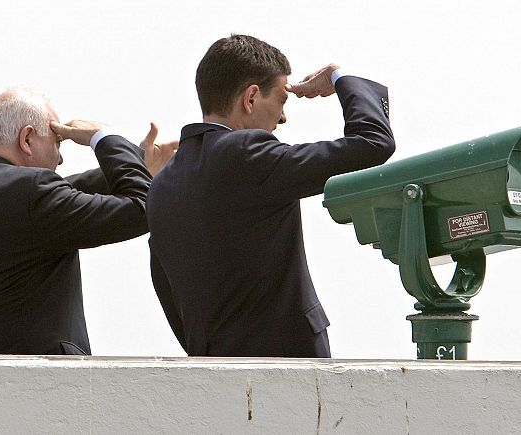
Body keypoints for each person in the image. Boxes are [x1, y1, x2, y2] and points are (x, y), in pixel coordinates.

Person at [147, 34, 396, 358]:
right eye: (281, 100)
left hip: (213, 374)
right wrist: (340, 76)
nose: (282, 118)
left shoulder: (162, 184)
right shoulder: (246, 154)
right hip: (288, 374)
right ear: (251, 98)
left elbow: (168, 293)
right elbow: (373, 143)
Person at [0, 87, 169, 355]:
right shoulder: (31, 194)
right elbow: (141, 207)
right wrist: (103, 137)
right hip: (41, 388)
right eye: (58, 142)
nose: (60, 158)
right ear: (27, 138)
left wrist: (136, 162)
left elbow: (56, 194)